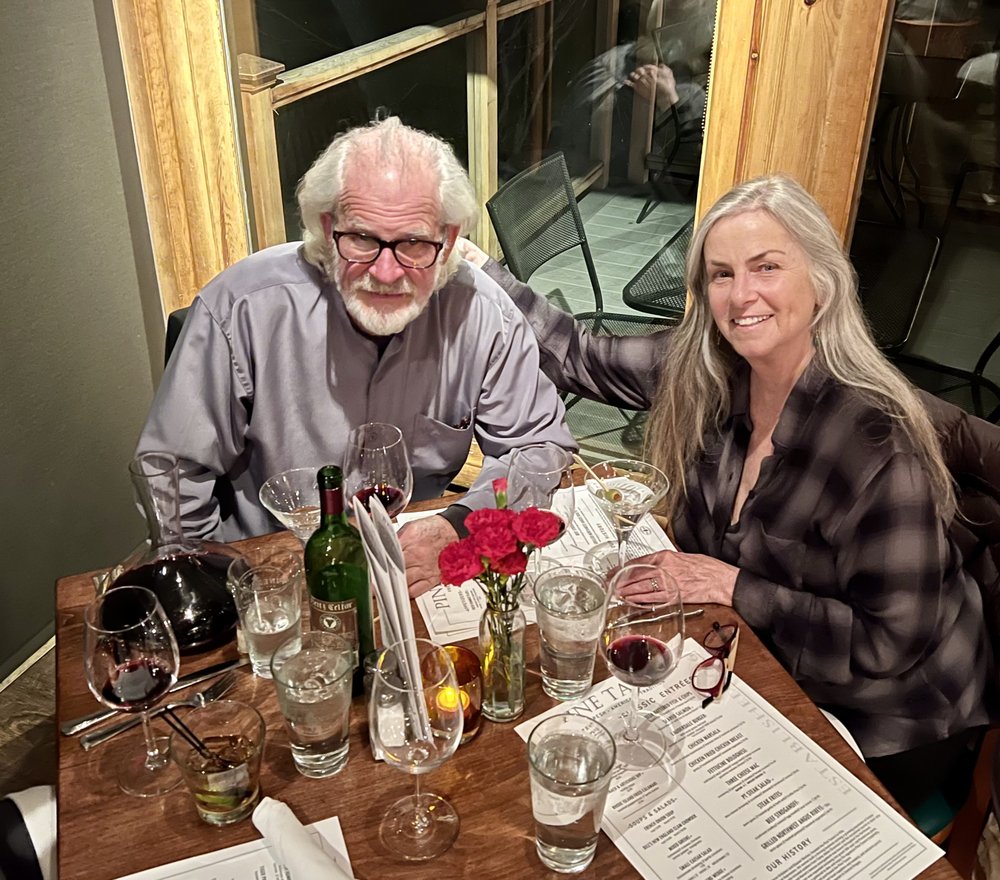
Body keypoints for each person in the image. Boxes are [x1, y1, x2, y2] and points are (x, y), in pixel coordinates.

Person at [460, 175, 989, 812]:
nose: (741, 296)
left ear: (822, 281)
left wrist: (730, 584)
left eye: (767, 267)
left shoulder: (876, 443)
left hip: (888, 717)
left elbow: (890, 644)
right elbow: (576, 354)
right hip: (759, 657)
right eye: (721, 274)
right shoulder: (709, 371)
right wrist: (469, 263)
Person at [136, 117, 575, 596]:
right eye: (362, 239)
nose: (385, 273)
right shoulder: (242, 308)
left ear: (448, 240)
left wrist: (458, 525)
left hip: (413, 564)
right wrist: (218, 583)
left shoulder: (483, 312)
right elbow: (171, 473)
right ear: (328, 229)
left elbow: (538, 444)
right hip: (275, 566)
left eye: (412, 243)